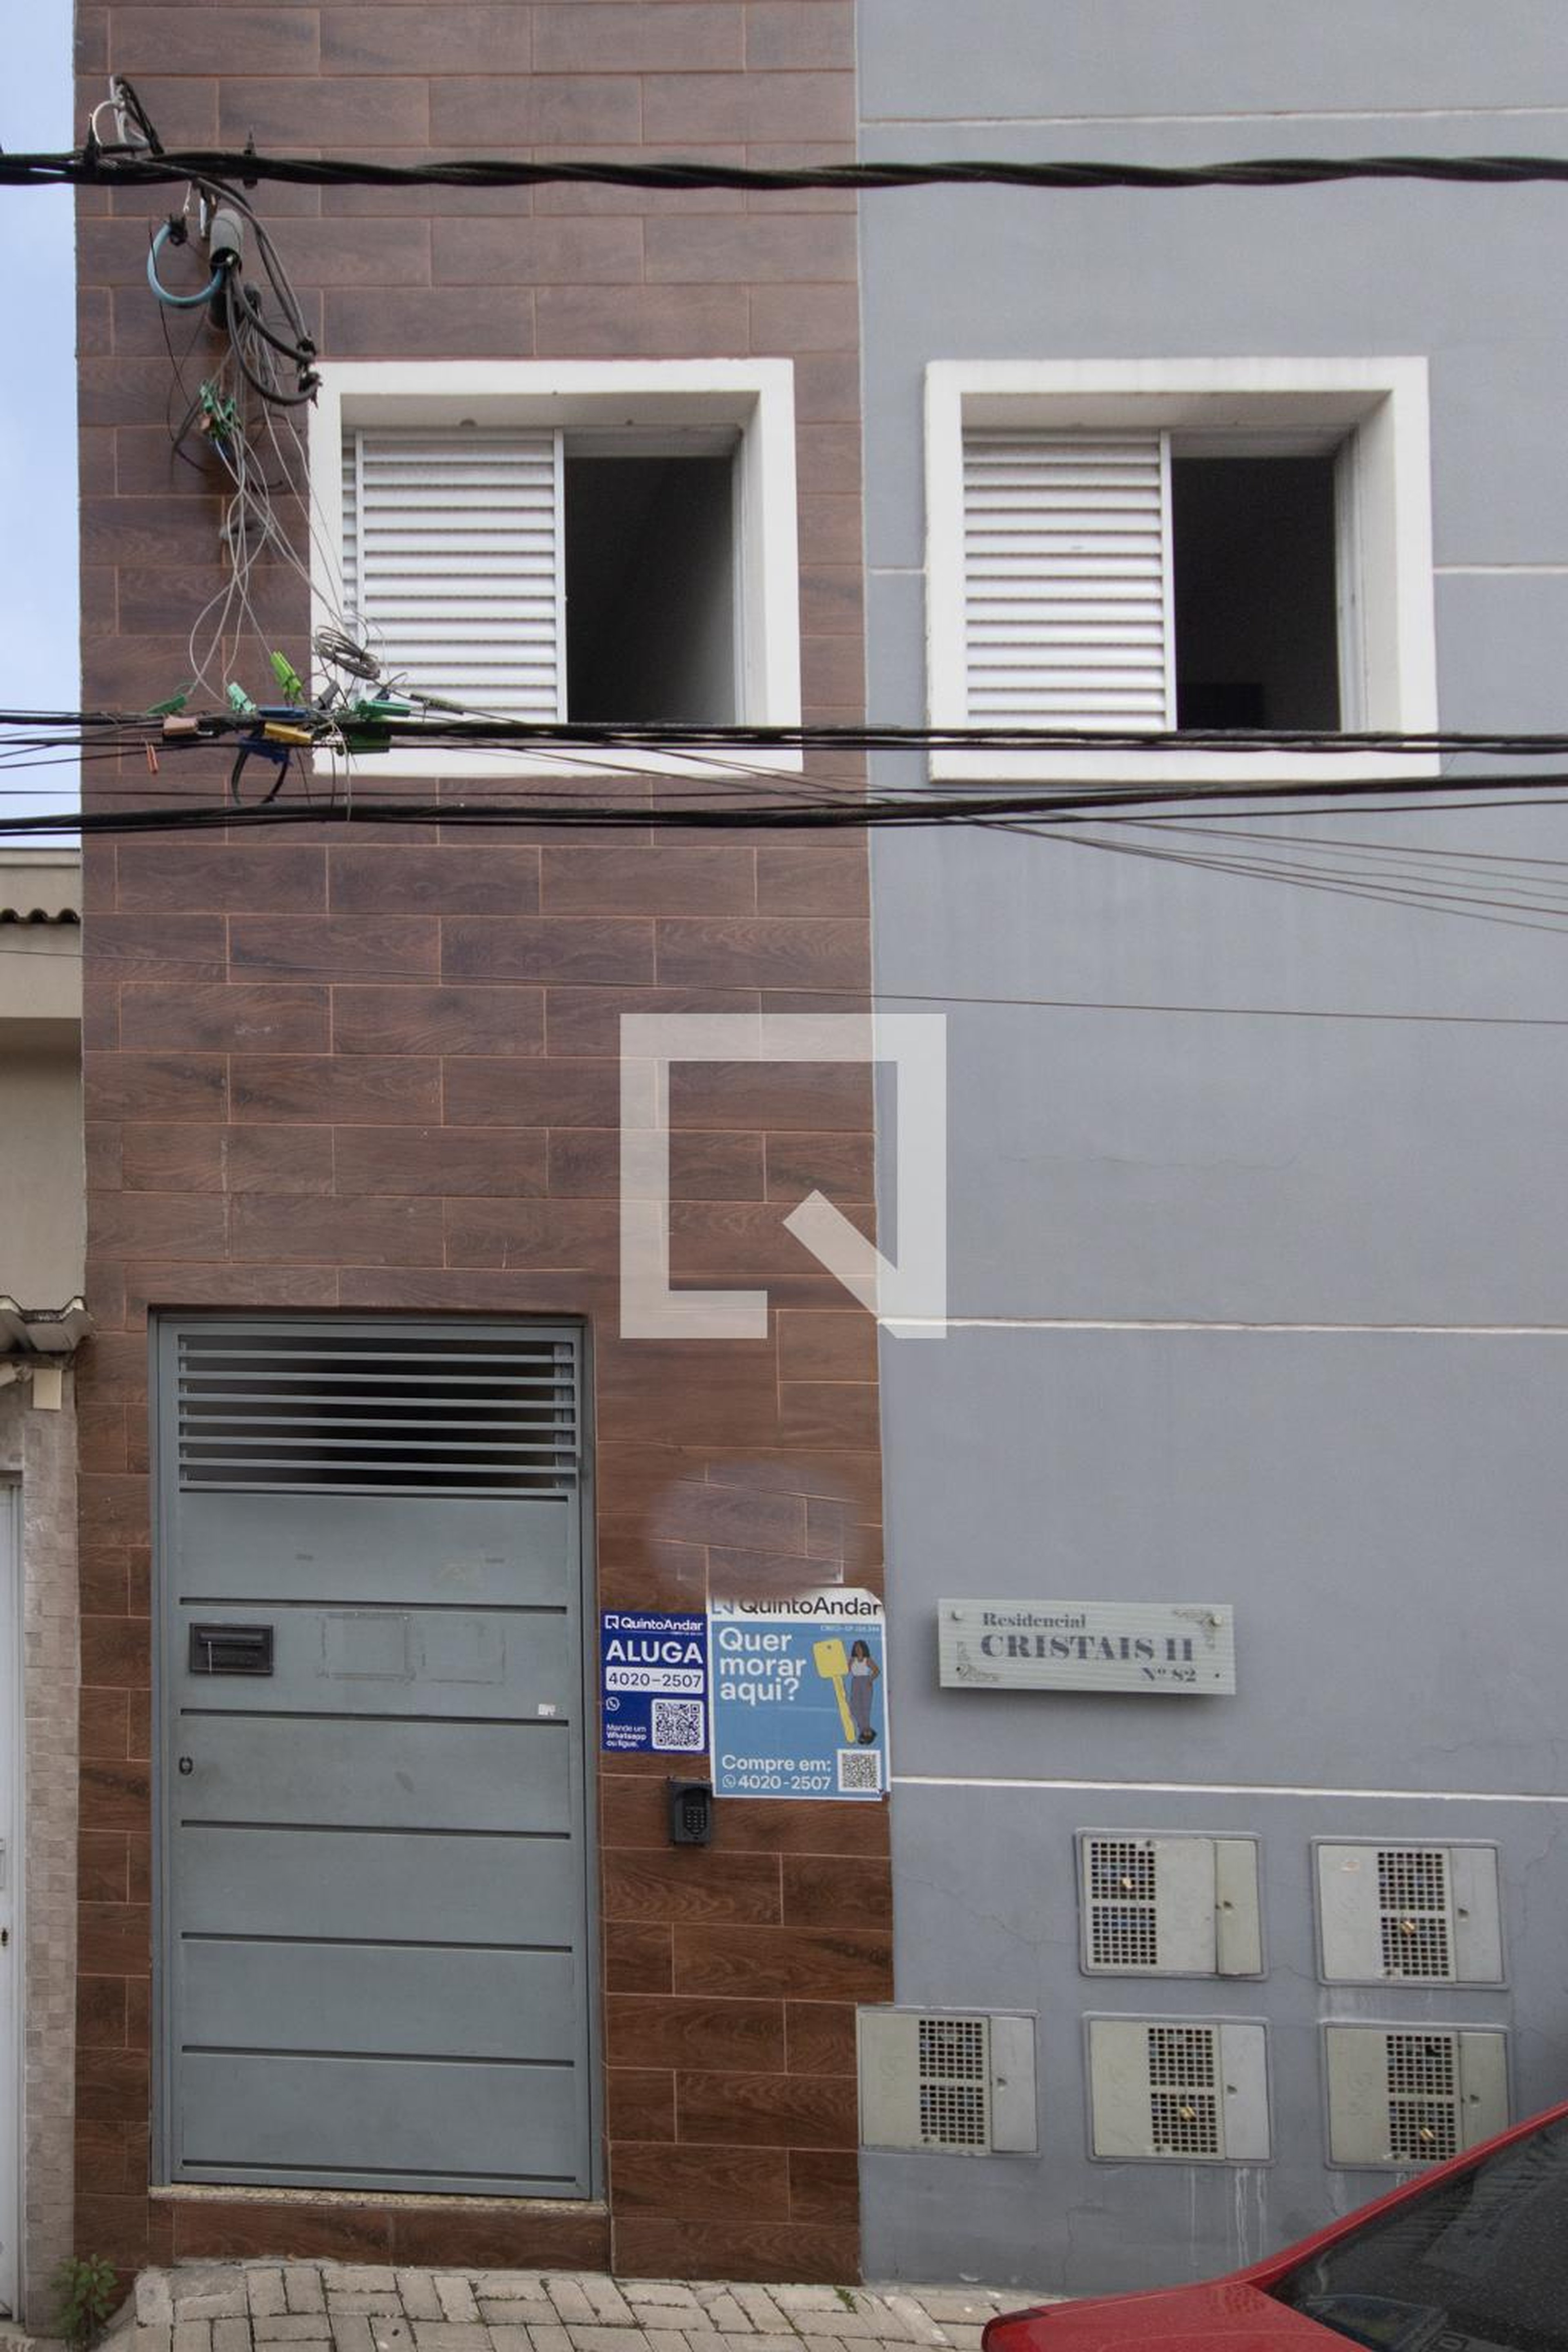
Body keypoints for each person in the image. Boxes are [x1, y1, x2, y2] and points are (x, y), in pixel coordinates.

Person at [847, 1637, 880, 1743]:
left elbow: (877, 1671)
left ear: (864, 1649)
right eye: (856, 1648)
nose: (858, 1650)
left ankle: (864, 1731)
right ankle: (866, 1729)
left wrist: (870, 1680)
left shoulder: (868, 1660)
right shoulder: (852, 1660)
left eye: (860, 1648)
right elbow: (847, 1671)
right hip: (855, 1682)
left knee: (865, 1707)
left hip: (865, 1681)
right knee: (854, 1707)